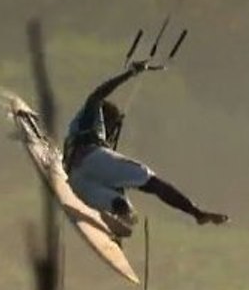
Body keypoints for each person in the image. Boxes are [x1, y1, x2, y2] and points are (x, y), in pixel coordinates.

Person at [62, 59, 229, 229]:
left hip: (78, 180)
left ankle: (114, 214)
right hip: (92, 160)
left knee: (124, 208)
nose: (111, 134)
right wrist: (130, 73)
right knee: (150, 181)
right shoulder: (92, 115)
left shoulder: (72, 132)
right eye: (111, 127)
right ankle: (196, 213)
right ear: (106, 119)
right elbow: (97, 95)